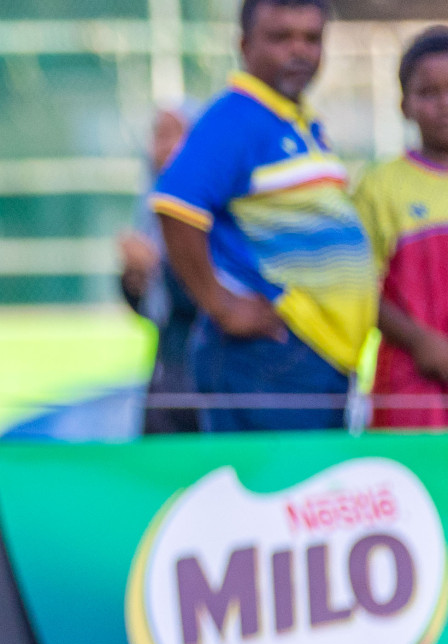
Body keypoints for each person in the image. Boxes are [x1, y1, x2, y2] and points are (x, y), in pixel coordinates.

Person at [152, 0, 376, 433]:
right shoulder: (236, 117)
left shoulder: (296, 121)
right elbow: (175, 205)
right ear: (244, 44)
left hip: (310, 356)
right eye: (280, 37)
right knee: (275, 492)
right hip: (268, 356)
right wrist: (222, 305)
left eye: (312, 38)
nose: (299, 51)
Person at [354, 27, 448, 430]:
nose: (444, 104)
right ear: (405, 105)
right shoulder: (379, 187)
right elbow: (358, 288)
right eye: (428, 93)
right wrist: (421, 342)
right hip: (411, 383)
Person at [120, 107, 201, 435]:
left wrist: (161, 266)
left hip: (207, 381)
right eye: (159, 135)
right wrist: (134, 279)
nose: (165, 147)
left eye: (176, 134)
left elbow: (215, 297)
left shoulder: (214, 208)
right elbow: (152, 311)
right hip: (167, 375)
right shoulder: (150, 209)